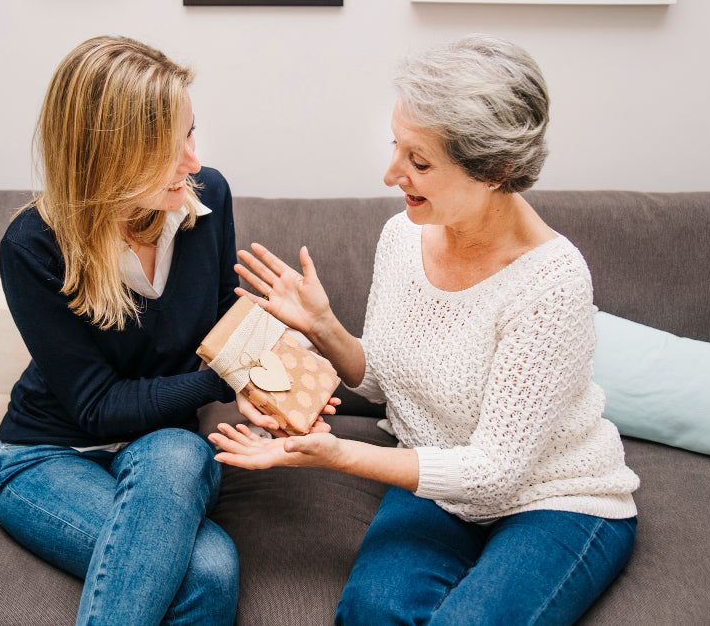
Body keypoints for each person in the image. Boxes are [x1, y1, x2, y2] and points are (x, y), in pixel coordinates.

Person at [210, 34, 641, 626]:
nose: (391, 174)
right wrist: (324, 326)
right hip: (441, 484)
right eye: (396, 147)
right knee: (369, 613)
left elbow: (493, 476)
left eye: (419, 162)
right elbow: (383, 380)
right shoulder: (403, 236)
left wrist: (338, 456)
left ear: (498, 169)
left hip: (556, 499)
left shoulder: (553, 283)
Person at [0, 35, 243, 626]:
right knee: (211, 568)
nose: (194, 161)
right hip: (47, 456)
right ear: (110, 156)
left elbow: (226, 322)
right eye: (170, 146)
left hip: (164, 451)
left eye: (190, 132)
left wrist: (288, 374)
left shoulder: (209, 200)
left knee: (179, 448)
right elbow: (98, 406)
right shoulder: (33, 246)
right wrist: (222, 379)